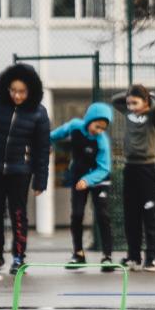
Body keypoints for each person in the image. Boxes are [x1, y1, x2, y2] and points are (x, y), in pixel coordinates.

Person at [0, 64, 51, 275]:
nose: (17, 95)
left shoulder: (39, 113)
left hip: (20, 171)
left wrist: (41, 180)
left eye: (22, 91)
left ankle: (19, 256)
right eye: (13, 90)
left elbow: (42, 149)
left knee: (18, 214)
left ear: (30, 91)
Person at [51, 102, 114, 272]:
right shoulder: (75, 127)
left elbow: (104, 168)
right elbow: (55, 135)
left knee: (102, 214)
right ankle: (78, 254)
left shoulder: (102, 142)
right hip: (79, 177)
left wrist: (88, 180)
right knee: (77, 214)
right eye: (97, 126)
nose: (98, 130)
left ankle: (107, 256)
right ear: (89, 120)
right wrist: (44, 142)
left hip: (99, 178)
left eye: (103, 128)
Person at [112, 84, 155, 272]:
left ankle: (151, 258)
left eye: (135, 103)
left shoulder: (154, 116)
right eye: (129, 103)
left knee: (149, 215)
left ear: (146, 103)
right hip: (130, 168)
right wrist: (130, 94)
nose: (131, 107)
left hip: (148, 169)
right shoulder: (128, 114)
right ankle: (133, 256)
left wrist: (150, 96)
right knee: (131, 216)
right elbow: (115, 100)